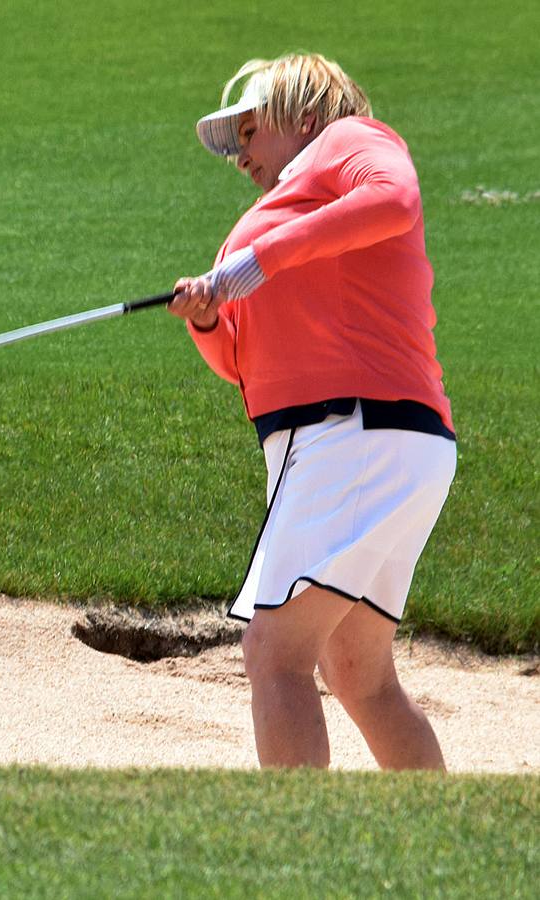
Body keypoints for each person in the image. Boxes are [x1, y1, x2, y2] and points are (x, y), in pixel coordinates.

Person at [168, 53, 455, 770]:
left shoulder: (349, 140)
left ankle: (298, 858)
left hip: (350, 433)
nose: (239, 155)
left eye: (248, 131)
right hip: (370, 441)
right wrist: (208, 320)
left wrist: (263, 255)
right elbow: (242, 364)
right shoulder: (274, 214)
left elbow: (394, 200)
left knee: (274, 654)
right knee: (359, 675)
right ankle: (441, 850)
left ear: (301, 117)